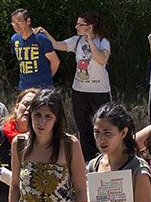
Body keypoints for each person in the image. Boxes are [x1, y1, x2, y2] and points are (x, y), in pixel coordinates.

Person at [34, 13, 111, 161]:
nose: (76, 27)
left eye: (80, 24)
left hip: (99, 92)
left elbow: (101, 60)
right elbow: (57, 44)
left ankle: (104, 159)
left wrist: (90, 42)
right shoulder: (76, 40)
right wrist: (45, 33)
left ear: (89, 26)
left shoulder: (103, 41)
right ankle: (88, 160)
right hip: (79, 91)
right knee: (83, 127)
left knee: (103, 125)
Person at [10, 8, 59, 91]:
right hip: (24, 88)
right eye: (13, 23)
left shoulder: (41, 39)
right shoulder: (15, 39)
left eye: (19, 22)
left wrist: (46, 79)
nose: (16, 26)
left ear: (28, 21)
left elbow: (55, 61)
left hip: (43, 89)